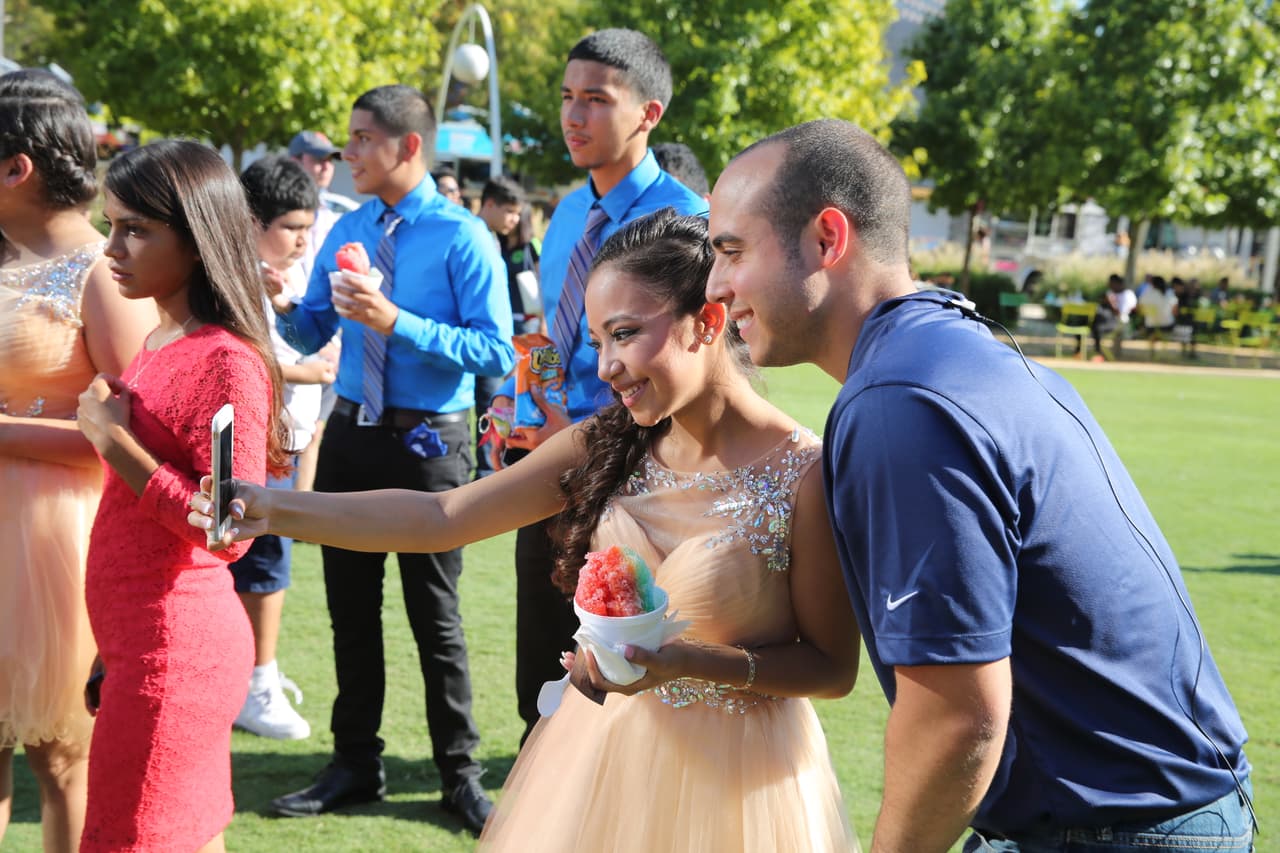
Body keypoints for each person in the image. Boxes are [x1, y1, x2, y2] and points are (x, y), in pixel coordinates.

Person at [190, 209, 862, 852]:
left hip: (745, 792)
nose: (605, 367)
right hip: (604, 760)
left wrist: (686, 662)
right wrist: (273, 508)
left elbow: (831, 668)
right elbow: (440, 516)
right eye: (598, 341)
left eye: (625, 334)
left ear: (708, 321)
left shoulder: (804, 472)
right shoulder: (602, 443)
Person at [705, 118, 1253, 853]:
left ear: (827, 239)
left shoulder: (899, 399)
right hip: (1133, 811)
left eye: (732, 251)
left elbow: (957, 715)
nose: (716, 286)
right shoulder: (950, 348)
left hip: (1116, 829)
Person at [267, 84, 514, 834]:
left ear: (409, 147)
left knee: (433, 614)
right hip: (349, 434)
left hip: (430, 441)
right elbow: (312, 335)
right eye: (347, 137)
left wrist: (396, 321)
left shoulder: (464, 237)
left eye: (363, 138)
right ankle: (355, 762)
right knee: (349, 610)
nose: (348, 153)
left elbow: (495, 351)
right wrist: (287, 306)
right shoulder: (351, 226)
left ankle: (458, 775)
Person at [489, 27, 709, 745]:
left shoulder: (687, 224)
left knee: (619, 683)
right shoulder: (566, 220)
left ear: (648, 113)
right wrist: (516, 405)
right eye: (566, 98)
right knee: (541, 678)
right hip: (548, 466)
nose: (573, 117)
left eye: (595, 100)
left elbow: (698, 370)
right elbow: (554, 345)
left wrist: (582, 434)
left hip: (640, 480)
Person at [74, 139, 291, 853]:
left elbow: (230, 531)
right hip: (141, 642)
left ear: (197, 238)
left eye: (136, 228)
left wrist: (116, 443)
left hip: (177, 650)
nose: (114, 247)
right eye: (111, 224)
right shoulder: (162, 336)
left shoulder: (226, 360)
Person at [0, 69, 155, 853]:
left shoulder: (105, 271)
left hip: (57, 539)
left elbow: (131, 437)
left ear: (16, 166)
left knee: (61, 754)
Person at [232, 154, 338, 740]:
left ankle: (251, 677)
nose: (303, 240)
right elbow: (241, 360)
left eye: (307, 226)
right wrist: (312, 372)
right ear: (253, 221)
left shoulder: (280, 277)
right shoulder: (235, 275)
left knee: (263, 565)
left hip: (280, 443)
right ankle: (255, 683)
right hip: (254, 443)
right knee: (262, 568)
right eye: (292, 227)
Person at [472, 176, 527, 478]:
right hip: (480, 340)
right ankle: (486, 471)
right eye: (509, 211)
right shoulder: (474, 235)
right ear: (489, 204)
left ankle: (486, 468)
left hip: (490, 339)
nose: (514, 219)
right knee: (489, 405)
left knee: (491, 404)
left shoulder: (492, 238)